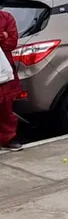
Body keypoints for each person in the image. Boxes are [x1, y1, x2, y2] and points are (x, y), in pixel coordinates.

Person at [0, 8, 22, 150]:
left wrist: (4, 37)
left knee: (5, 107)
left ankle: (8, 138)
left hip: (3, 71)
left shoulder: (6, 17)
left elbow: (11, 42)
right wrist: (3, 35)